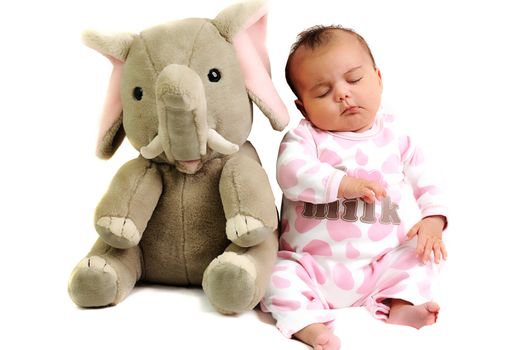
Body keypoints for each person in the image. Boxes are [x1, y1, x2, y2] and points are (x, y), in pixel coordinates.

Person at [260, 25, 448, 350]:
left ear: (378, 77)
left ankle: (401, 306)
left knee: (421, 256)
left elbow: (427, 177)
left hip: (380, 262)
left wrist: (434, 219)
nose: (343, 94)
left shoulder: (396, 135)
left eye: (355, 79)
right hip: (310, 265)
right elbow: (290, 174)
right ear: (303, 107)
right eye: (322, 92)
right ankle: (308, 326)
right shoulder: (304, 138)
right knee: (272, 275)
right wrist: (340, 184)